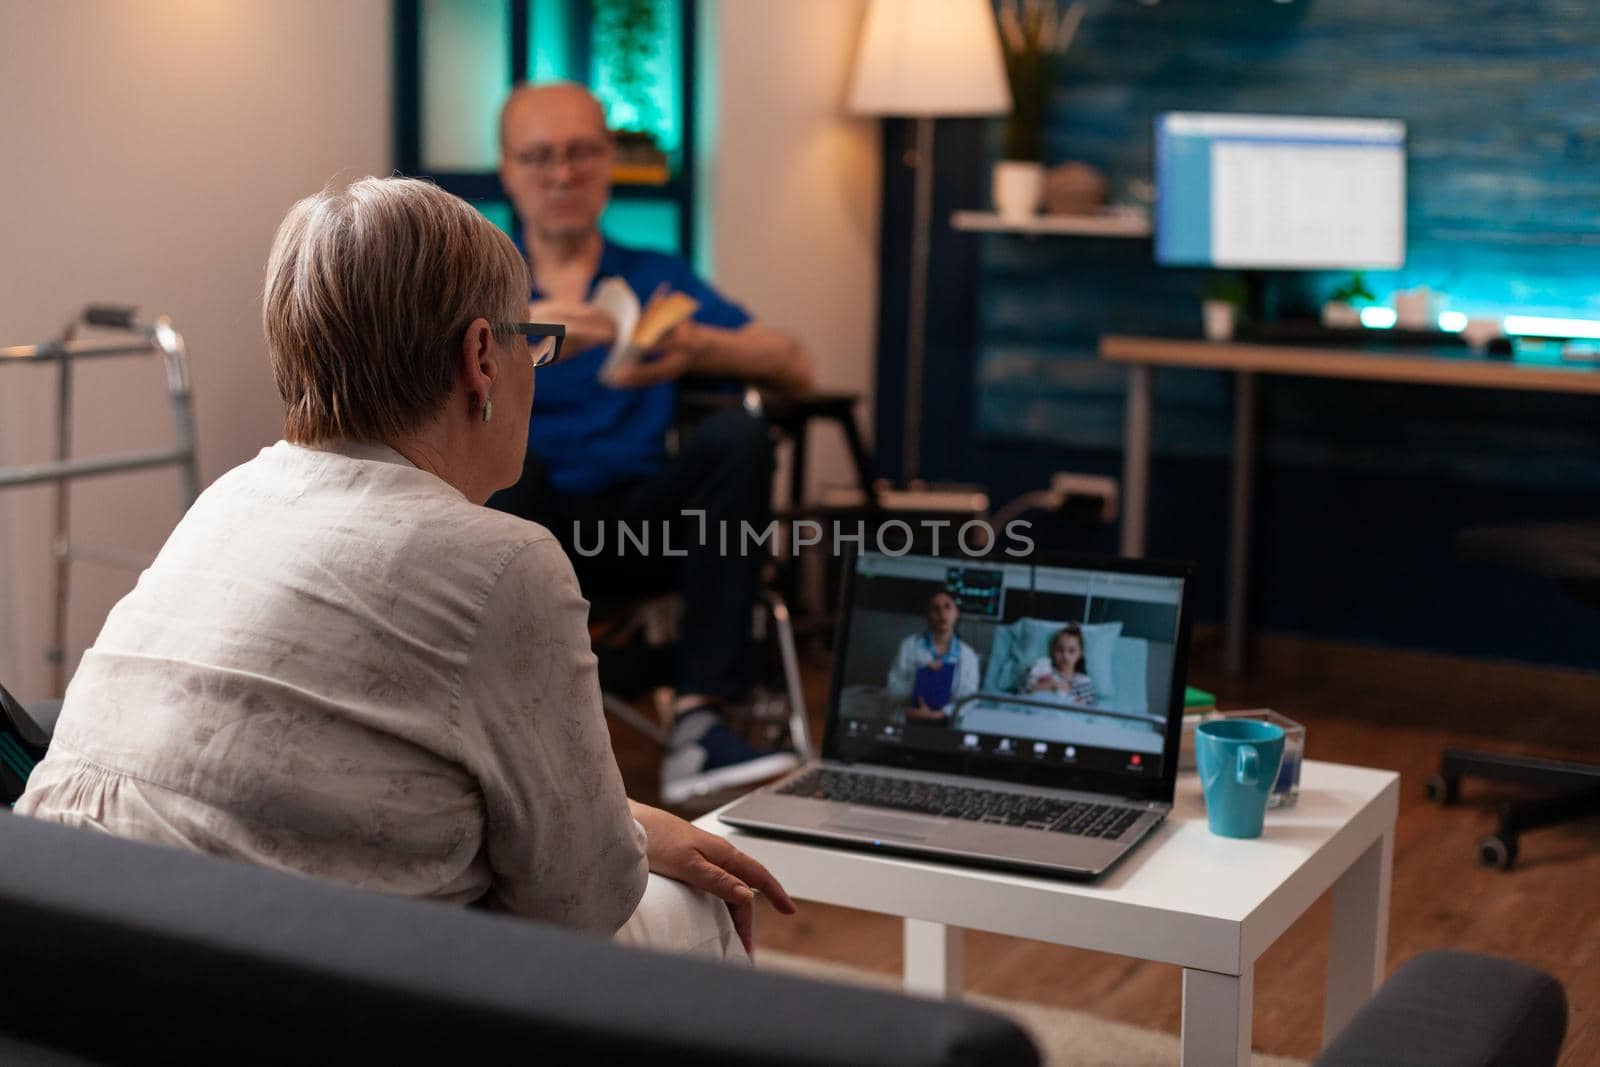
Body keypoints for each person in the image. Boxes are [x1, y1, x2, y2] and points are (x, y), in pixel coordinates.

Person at [16, 176, 793, 961]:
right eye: (534, 339)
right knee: (695, 905)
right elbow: (579, 906)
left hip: (71, 947)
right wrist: (619, 836)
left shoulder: (228, 498)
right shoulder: (503, 560)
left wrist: (619, 821)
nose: (539, 364)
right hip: (264, 995)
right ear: (482, 357)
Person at [487, 82, 814, 807]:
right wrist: (519, 331)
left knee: (739, 434)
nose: (563, 175)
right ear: (508, 170)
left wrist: (691, 343)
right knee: (513, 472)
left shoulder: (654, 275)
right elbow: (403, 373)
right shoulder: (483, 277)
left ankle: (698, 725)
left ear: (608, 162)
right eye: (540, 157)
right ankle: (517, 743)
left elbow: (793, 360)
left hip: (640, 525)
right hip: (524, 526)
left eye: (580, 153)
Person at [885, 592, 981, 725]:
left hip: (947, 722)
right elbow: (892, 690)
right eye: (935, 608)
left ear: (956, 612)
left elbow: (970, 700)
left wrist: (941, 714)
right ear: (928, 615)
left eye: (947, 607)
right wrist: (920, 675)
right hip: (910, 718)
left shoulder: (968, 655)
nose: (942, 613)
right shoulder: (909, 645)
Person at [1024, 623, 1098, 707]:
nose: (1065, 656)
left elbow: (1090, 709)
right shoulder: (1044, 672)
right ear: (1053, 651)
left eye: (1071, 651)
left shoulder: (1083, 681)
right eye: (1060, 650)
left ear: (1080, 654)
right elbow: (1024, 696)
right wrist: (1052, 685)